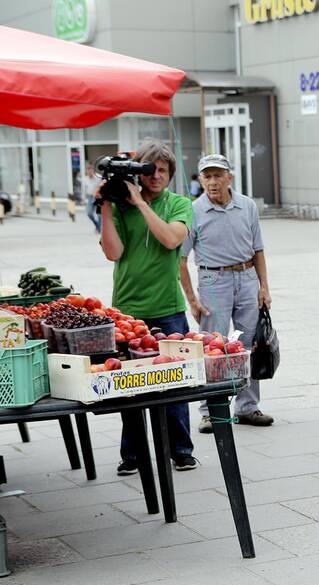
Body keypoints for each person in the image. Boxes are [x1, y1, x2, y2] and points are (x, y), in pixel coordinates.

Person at [98, 139, 197, 474]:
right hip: (127, 309)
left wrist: (140, 203)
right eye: (150, 170)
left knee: (174, 380)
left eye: (163, 170)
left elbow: (171, 239)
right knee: (128, 386)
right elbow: (113, 253)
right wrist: (108, 206)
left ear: (170, 174)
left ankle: (180, 449)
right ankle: (133, 454)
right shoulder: (121, 208)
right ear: (139, 172)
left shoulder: (179, 204)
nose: (156, 176)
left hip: (168, 306)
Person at [179, 153, 274, 433]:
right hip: (213, 279)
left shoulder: (246, 206)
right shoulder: (193, 211)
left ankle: (247, 407)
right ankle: (210, 411)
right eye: (206, 176)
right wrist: (192, 300)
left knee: (248, 345)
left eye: (218, 175)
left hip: (246, 278)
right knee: (214, 347)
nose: (212, 182)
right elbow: (180, 260)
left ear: (229, 177)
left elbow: (258, 249)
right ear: (200, 180)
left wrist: (264, 286)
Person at [82, 166, 101, 232]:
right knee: (89, 213)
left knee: (99, 214)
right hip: (90, 197)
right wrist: (83, 198)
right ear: (87, 171)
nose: (90, 172)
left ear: (93, 170)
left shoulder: (98, 177)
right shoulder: (85, 179)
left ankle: (99, 228)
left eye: (91, 170)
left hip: (98, 197)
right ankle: (97, 225)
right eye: (88, 170)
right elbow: (84, 190)